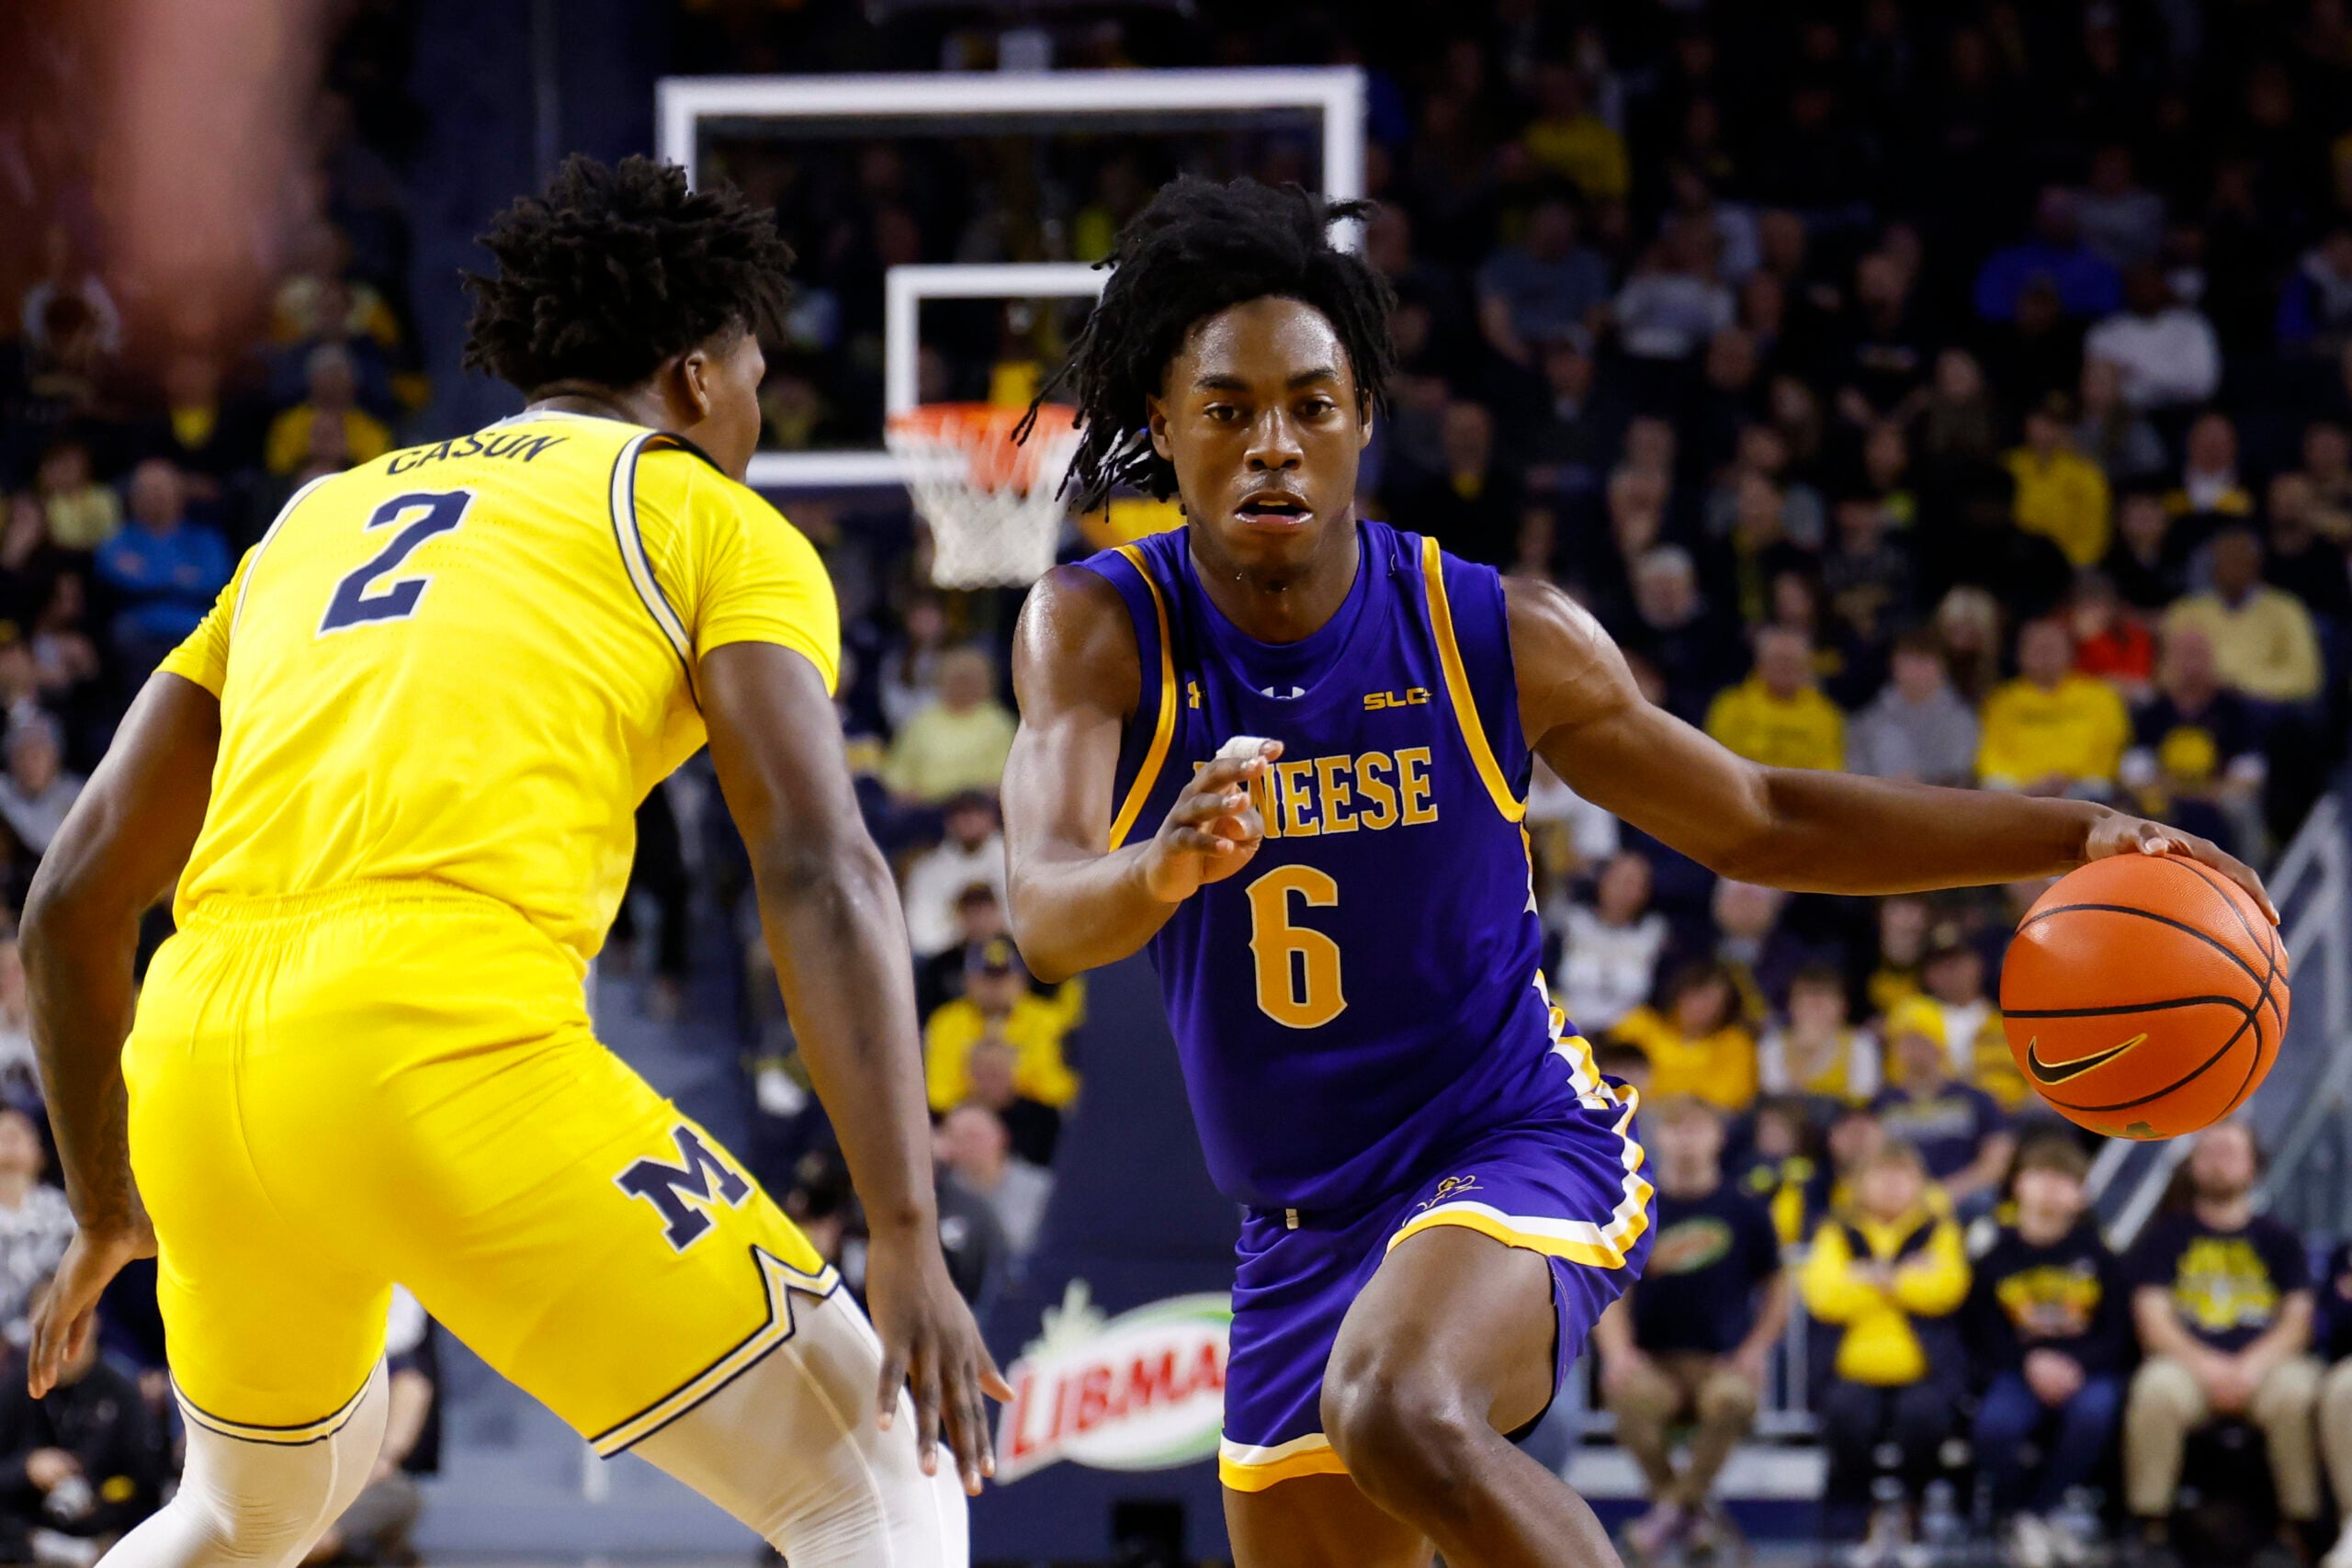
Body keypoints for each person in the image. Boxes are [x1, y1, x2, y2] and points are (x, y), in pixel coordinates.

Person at [1000, 175, 2268, 1568]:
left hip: (1503, 1141)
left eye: (1311, 403)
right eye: (1228, 411)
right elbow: (1047, 918)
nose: (1274, 446)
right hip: (1296, 1224)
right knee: (1369, 1423)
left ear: (1363, 416)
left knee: (1397, 1407)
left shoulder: (1493, 628)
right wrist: (1163, 865)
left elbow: (1762, 816)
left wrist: (2058, 832)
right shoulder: (1097, 628)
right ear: (1163, 432)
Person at [21, 157, 997, 1568]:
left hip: (195, 1062)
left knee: (253, 1510)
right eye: (756, 374)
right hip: (435, 1033)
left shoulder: (315, 518)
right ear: (698, 378)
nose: (761, 411)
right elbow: (818, 862)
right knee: (883, 1485)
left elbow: (70, 902)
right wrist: (903, 1225)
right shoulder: (712, 518)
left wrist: (112, 1201)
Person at [1591, 1097, 1787, 1562]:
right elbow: (1612, 1288)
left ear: (1718, 1138)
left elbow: (1779, 1284)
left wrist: (1757, 1348)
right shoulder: (1637, 1209)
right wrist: (1617, 1353)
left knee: (1732, 1400)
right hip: (1653, 1361)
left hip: (1720, 1362)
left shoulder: (1746, 1210)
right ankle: (1689, 1515)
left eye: (1698, 1129)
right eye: (1678, 1129)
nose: (1687, 1141)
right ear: (1660, 1136)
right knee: (1630, 1400)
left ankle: (1666, 1515)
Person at [2123, 1122, 2319, 1567]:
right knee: (2155, 1388)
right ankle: (2148, 1528)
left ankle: (2300, 1530)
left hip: (2267, 1367)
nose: (2218, 1161)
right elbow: (2152, 1318)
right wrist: (2208, 1367)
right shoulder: (2165, 1236)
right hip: (2188, 1366)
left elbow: (2297, 1320)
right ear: (2192, 1165)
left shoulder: (2281, 1239)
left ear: (2254, 1165)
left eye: (2230, 1152)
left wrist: (2250, 1367)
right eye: (2207, 1151)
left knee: (2298, 1393)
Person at [1966, 1137, 2131, 1567]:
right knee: (1995, 1428)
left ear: (2081, 1193)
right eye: (2040, 1174)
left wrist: (2076, 1366)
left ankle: (2036, 1515)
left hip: (2085, 1371)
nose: (2051, 1188)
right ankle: (2022, 1516)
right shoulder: (1994, 1253)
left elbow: (2117, 1332)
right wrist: (2028, 1363)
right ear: (2018, 1184)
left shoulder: (2100, 1254)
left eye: (2064, 1178)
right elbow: (1981, 1331)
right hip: (2016, 1369)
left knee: (2096, 1415)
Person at [1802, 1140, 1971, 1551]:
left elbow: (1947, 1288)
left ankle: (1914, 1506)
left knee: (1926, 1418)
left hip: (1925, 1374)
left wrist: (1869, 1276)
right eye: (1882, 1174)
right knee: (1845, 1416)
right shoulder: (1836, 1229)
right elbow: (1824, 1295)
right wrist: (1902, 1277)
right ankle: (1854, 1512)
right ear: (1859, 1184)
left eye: (1903, 1175)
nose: (1893, 1184)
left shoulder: (1939, 1229)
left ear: (1920, 1183)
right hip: (1849, 1374)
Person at [0, 1291, 159, 1565]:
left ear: (92, 1322)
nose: (59, 1339)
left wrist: (99, 1497)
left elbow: (148, 1480)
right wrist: (27, 1467)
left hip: (103, 1529)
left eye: (69, 1323)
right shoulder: (15, 1388)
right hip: (27, 1531)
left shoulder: (122, 1391)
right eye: (47, 1327)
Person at [95, 462, 234, 682]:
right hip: (139, 626)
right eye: (146, 491)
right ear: (133, 498)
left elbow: (217, 579)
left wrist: (149, 574)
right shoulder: (119, 540)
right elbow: (115, 577)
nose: (154, 497)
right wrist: (180, 577)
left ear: (179, 493)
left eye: (161, 490)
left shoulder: (206, 540)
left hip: (195, 624)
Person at [1870, 998, 2013, 1211]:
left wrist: (1948, 1192)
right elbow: (1867, 1161)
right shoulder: (1882, 1103)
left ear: (1940, 1043)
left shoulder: (1975, 1099)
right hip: (1898, 1199)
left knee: (1981, 1201)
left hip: (1963, 1198)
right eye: (1904, 1040)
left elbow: (1996, 1160)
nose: (1911, 1049)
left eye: (1920, 1040)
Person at [2162, 526, 2324, 705]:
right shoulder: (2186, 611)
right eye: (2225, 560)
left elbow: (2305, 677)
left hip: (2264, 704)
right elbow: (2167, 673)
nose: (2233, 568)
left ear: (2256, 564)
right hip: (2202, 704)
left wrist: (2241, 686)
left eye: (2240, 559)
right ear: (2212, 567)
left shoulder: (2286, 608)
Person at [1976, 617, 2132, 798]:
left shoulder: (2100, 696)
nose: (2045, 654)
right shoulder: (2001, 700)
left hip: (2082, 788)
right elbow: (1990, 756)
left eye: (2052, 647)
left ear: (2070, 653)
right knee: (1992, 786)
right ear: (2020, 655)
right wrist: (2029, 785)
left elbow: (2110, 748)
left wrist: (2068, 779)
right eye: (2037, 648)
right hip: (2019, 789)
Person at [1609, 962, 1758, 1113]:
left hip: (1700, 1126)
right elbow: (1611, 1079)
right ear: (1678, 993)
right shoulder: (1637, 1025)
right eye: (1696, 996)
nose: (1702, 1007)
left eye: (1714, 1001)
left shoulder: (1736, 1044)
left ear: (1727, 1007)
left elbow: (1728, 1098)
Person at [1552, 850, 1668, 1035]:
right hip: (1565, 1027)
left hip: (1628, 1039)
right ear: (1602, 880)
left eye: (1633, 884)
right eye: (1618, 880)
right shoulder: (1570, 923)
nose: (1623, 890)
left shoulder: (1655, 935)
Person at [882, 646, 1017, 805]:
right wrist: (905, 793)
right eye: (956, 680)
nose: (962, 687)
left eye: (969, 681)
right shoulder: (922, 721)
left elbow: (1006, 778)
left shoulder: (999, 724)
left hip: (978, 808)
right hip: (924, 808)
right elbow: (897, 771)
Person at [1702, 626, 1846, 773]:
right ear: (1760, 663)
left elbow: (1829, 774)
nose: (1785, 667)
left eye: (1793, 661)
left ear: (1806, 666)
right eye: (1778, 659)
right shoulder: (1729, 706)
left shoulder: (1826, 715)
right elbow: (1716, 762)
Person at [1846, 631, 1979, 787]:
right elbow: (1854, 770)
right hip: (1877, 803)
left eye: (1924, 662)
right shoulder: (1868, 720)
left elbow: (1962, 772)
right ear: (1893, 665)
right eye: (1909, 661)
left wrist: (1918, 784)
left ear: (1942, 667)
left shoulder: (1962, 720)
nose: (1915, 671)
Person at [933, 1104, 1053, 1261]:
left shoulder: (1041, 1188)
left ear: (1002, 1136)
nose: (966, 1145)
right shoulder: (941, 1195)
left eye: (973, 1136)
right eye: (956, 1137)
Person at [899, 790, 1009, 958]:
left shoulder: (1016, 859)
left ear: (990, 817)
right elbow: (920, 936)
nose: (968, 820)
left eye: (976, 812)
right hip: (949, 962)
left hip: (1012, 956)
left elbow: (1032, 926)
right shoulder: (927, 869)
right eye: (960, 814)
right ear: (948, 822)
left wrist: (993, 932)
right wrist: (963, 936)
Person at [1757, 964, 1879, 1111]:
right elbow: (1776, 1096)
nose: (1816, 1007)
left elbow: (1863, 1096)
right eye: (1807, 998)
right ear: (1791, 1005)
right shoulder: (1772, 1044)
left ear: (1844, 1006)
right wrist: (1803, 1052)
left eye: (1825, 998)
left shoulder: (1861, 1043)